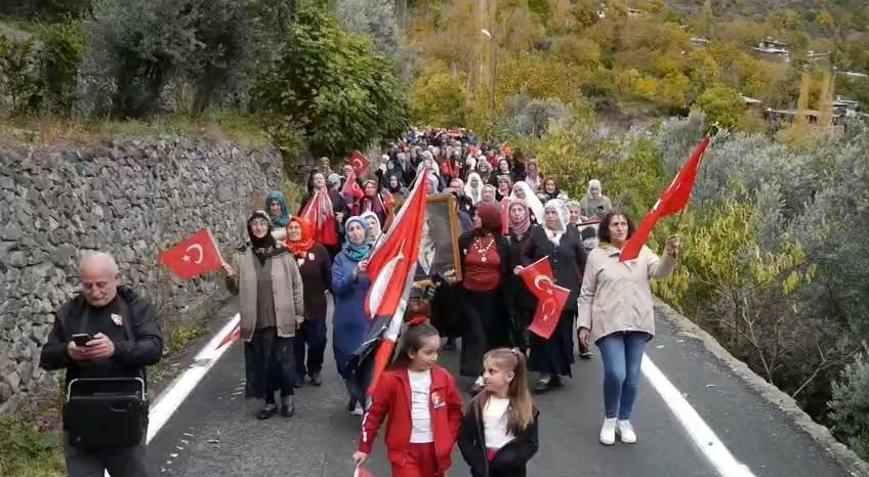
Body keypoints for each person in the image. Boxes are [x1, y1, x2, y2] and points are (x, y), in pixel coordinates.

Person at [40, 252, 162, 477]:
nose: (95, 292)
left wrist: (115, 349)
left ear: (117, 278)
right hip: (81, 416)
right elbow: (46, 357)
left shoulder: (136, 307)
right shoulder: (70, 312)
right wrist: (68, 351)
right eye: (87, 286)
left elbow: (153, 349)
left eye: (101, 284)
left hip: (125, 413)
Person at [577, 211, 679, 445]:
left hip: (637, 321)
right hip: (607, 323)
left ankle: (625, 419)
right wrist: (584, 324)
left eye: (623, 223)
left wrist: (670, 254)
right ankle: (610, 418)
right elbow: (587, 293)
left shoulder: (642, 251)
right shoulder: (596, 256)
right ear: (607, 229)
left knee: (632, 377)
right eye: (615, 224)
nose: (620, 227)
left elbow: (659, 272)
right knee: (616, 373)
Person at [353, 320, 463, 477]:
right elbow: (374, 414)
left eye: (436, 352)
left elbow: (455, 411)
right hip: (405, 452)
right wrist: (364, 447)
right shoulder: (391, 380)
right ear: (412, 353)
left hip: (435, 452)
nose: (434, 357)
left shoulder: (443, 377)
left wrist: (448, 438)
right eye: (428, 352)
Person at [223, 211, 304, 419]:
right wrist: (230, 276)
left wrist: (299, 313)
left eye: (262, 224)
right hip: (256, 319)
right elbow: (234, 289)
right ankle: (269, 401)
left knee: (284, 361)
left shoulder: (284, 253)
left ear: (268, 227)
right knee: (263, 362)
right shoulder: (241, 255)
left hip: (282, 317)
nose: (258, 228)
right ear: (250, 228)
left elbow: (296, 285)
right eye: (254, 225)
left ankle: (287, 396)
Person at [517, 200, 588, 393]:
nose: (549, 216)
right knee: (543, 334)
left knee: (562, 334)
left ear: (561, 215)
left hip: (565, 294)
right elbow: (524, 255)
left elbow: (582, 260)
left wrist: (582, 282)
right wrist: (532, 271)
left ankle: (557, 372)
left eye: (553, 213)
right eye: (547, 212)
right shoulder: (537, 233)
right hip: (543, 293)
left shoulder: (572, 233)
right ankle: (545, 373)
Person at [458, 203, 513, 393]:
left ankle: (490, 373)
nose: (474, 218)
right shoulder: (466, 239)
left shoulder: (503, 243)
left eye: (478, 216)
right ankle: (478, 375)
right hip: (468, 295)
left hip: (494, 298)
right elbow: (456, 263)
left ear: (489, 218)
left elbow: (509, 269)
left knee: (490, 336)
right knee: (476, 334)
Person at [458, 348, 539, 477]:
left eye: (492, 372)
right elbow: (464, 437)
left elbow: (531, 442)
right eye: (484, 370)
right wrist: (475, 461)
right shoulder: (478, 404)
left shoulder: (526, 408)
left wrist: (514, 459)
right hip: (483, 469)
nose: (485, 376)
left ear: (509, 376)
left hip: (511, 471)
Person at [331, 216, 372, 416]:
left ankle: (367, 403)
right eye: (351, 229)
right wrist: (353, 274)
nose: (355, 232)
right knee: (345, 362)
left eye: (359, 228)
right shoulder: (341, 258)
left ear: (365, 231)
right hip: (346, 318)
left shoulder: (375, 254)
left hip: (368, 319)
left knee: (366, 364)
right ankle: (354, 393)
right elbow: (337, 287)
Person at [286, 217, 332, 388]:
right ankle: (298, 372)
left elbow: (328, 276)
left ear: (305, 228)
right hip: (291, 306)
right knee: (295, 342)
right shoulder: (283, 251)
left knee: (317, 340)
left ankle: (315, 368)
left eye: (297, 227)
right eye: (290, 228)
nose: (293, 231)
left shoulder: (319, 250)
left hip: (316, 305)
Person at [506, 201, 534, 352]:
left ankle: (529, 345)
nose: (517, 213)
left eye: (520, 210)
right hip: (512, 283)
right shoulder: (507, 234)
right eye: (513, 210)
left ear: (526, 213)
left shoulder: (534, 232)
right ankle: (520, 348)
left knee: (529, 316)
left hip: (530, 283)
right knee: (515, 318)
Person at [300, 171, 349, 257]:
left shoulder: (334, 194)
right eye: (316, 178)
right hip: (313, 235)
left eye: (321, 178)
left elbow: (345, 208)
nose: (319, 180)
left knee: (331, 258)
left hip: (332, 234)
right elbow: (302, 213)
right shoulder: (307, 197)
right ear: (312, 182)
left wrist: (342, 215)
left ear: (325, 181)